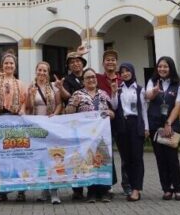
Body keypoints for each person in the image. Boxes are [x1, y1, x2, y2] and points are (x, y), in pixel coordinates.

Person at [64, 67, 115, 203]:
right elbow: (68, 113)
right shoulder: (77, 94)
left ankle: (104, 191)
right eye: (88, 78)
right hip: (85, 137)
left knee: (102, 161)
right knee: (89, 162)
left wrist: (111, 113)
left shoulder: (103, 94)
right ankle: (91, 192)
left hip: (102, 136)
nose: (91, 79)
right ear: (83, 81)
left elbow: (113, 111)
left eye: (93, 77)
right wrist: (73, 105)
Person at [0, 52, 27, 202]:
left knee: (18, 155)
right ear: (2, 65)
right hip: (0, 119)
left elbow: (24, 100)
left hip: (16, 120)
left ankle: (21, 190)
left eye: (11, 63)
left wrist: (22, 109)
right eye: (6, 63)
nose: (9, 65)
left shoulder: (20, 83)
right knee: (2, 156)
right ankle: (3, 190)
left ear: (15, 66)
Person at [145, 56, 180, 201]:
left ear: (171, 68)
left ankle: (178, 188)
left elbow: (179, 105)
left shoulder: (178, 84)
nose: (162, 69)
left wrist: (168, 123)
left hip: (171, 124)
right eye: (160, 66)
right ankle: (166, 189)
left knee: (172, 158)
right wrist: (155, 91)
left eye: (165, 66)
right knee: (160, 159)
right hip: (155, 124)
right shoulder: (152, 81)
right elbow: (147, 96)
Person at [25, 61, 63, 204]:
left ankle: (54, 192)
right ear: (36, 72)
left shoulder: (54, 87)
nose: (42, 73)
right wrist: (30, 95)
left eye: (45, 71)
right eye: (39, 70)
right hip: (37, 127)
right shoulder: (31, 87)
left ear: (48, 73)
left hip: (51, 126)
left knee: (52, 158)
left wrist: (55, 114)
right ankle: (44, 191)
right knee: (41, 158)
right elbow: (28, 107)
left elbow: (59, 104)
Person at [110, 62, 148, 202]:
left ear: (132, 72)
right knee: (126, 159)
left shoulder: (139, 89)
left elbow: (143, 110)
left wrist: (146, 128)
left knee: (137, 158)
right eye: (122, 72)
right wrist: (113, 92)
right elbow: (114, 106)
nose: (125, 74)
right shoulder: (118, 89)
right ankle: (131, 186)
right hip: (122, 125)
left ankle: (137, 189)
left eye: (127, 71)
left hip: (135, 124)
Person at [57, 48, 87, 200]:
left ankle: (97, 186)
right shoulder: (67, 80)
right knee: (75, 154)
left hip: (90, 123)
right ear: (69, 66)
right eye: (72, 62)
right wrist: (61, 88)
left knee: (91, 153)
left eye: (78, 61)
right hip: (74, 122)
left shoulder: (89, 76)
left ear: (82, 63)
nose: (75, 64)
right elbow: (67, 97)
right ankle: (77, 189)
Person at [95, 50, 125, 195]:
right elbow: (82, 74)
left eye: (113, 59)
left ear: (116, 62)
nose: (110, 62)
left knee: (125, 153)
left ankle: (127, 184)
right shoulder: (98, 78)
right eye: (107, 60)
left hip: (121, 120)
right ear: (103, 63)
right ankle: (109, 183)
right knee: (107, 153)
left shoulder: (122, 79)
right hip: (103, 122)